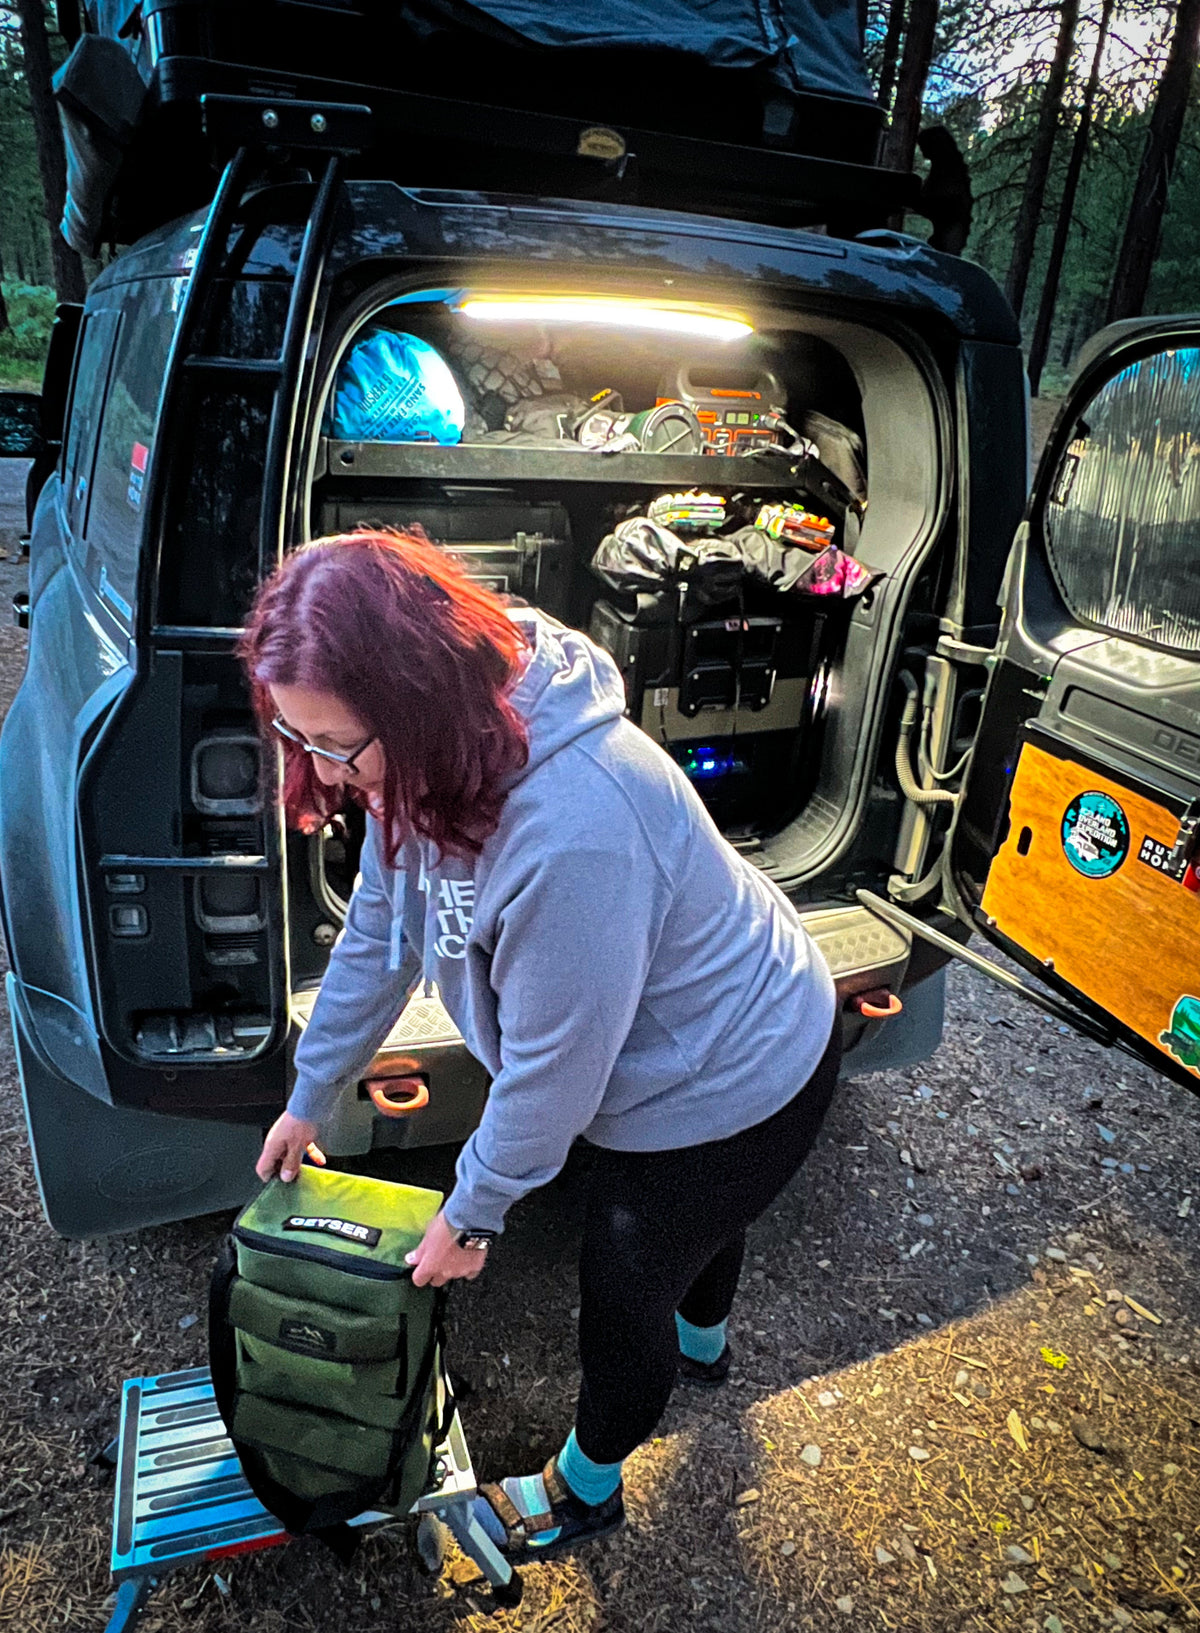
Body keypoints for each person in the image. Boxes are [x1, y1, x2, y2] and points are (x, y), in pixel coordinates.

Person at [242, 527, 840, 1561]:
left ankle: (585, 1486)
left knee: (629, 1276)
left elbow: (552, 1075)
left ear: (413, 699)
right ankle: (706, 1348)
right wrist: (312, 1090)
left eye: (336, 745)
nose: (325, 774)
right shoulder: (426, 760)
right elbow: (382, 929)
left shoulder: (576, 830)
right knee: (692, 1233)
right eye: (301, 741)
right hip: (694, 1037)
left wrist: (472, 1213)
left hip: (742, 1069)